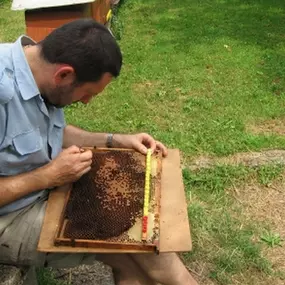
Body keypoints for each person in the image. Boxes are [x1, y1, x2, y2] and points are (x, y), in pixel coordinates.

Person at [0, 19, 198, 285]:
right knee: (135, 241)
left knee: (136, 246)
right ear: (64, 75)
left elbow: (50, 130)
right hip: (10, 218)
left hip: (44, 192)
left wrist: (113, 140)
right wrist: (47, 176)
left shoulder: (38, 67)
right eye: (86, 93)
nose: (86, 101)